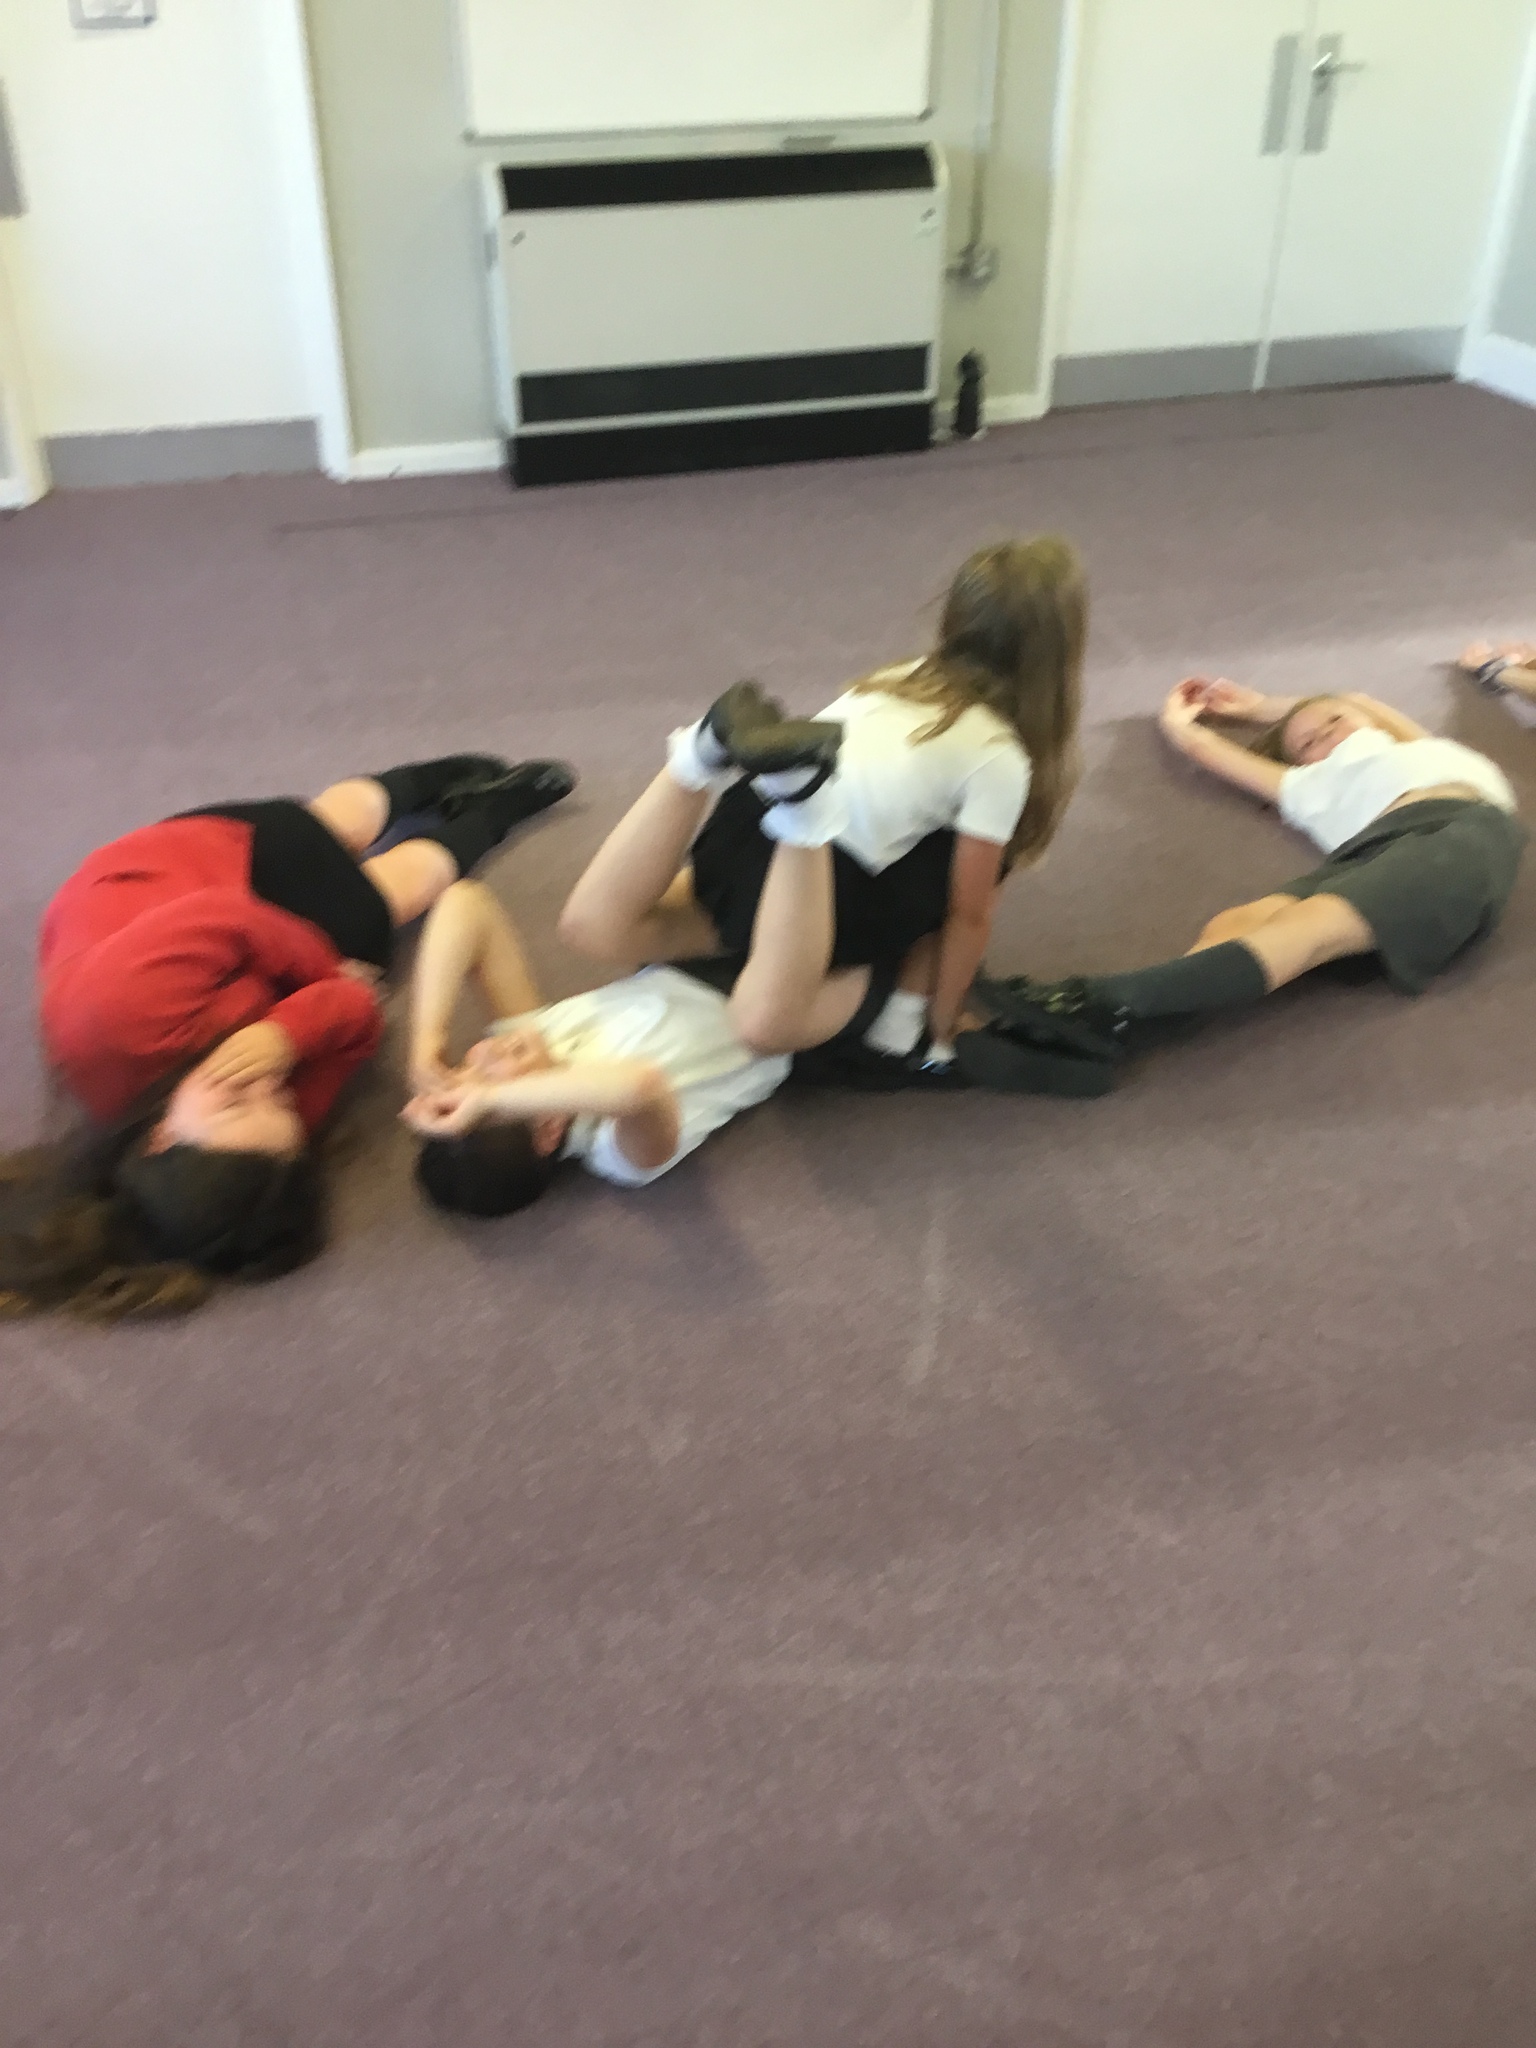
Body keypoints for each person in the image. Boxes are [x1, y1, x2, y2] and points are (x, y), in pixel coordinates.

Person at [1, 753, 574, 1316]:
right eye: (278, 1102)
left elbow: (229, 918)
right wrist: (289, 1034)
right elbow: (358, 1016)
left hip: (186, 873)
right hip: (242, 967)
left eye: (234, 1097)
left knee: (341, 855)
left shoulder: (116, 1017)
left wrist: (323, 977)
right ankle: (491, 814)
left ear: (159, 1136)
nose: (266, 1083)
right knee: (369, 916)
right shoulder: (270, 1131)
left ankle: (420, 781)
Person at [557, 537, 1086, 1076]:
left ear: (955, 617)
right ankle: (808, 814)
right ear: (1060, 656)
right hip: (823, 879)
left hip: (745, 826)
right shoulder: (1000, 757)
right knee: (763, 1026)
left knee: (594, 929)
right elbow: (969, 916)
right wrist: (941, 1024)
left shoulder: (898, 677)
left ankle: (699, 755)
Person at [980, 677, 1526, 1064]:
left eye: (1334, 721)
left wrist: (1262, 706)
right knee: (1237, 922)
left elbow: (1358, 700)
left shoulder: (1426, 748)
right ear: (1300, 761)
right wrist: (1178, 722)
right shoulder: (1306, 786)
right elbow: (1205, 749)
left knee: (1311, 928)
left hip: (1463, 834)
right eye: (1308, 742)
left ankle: (1099, 1004)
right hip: (1373, 850)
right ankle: (1116, 1032)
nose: (1328, 735)